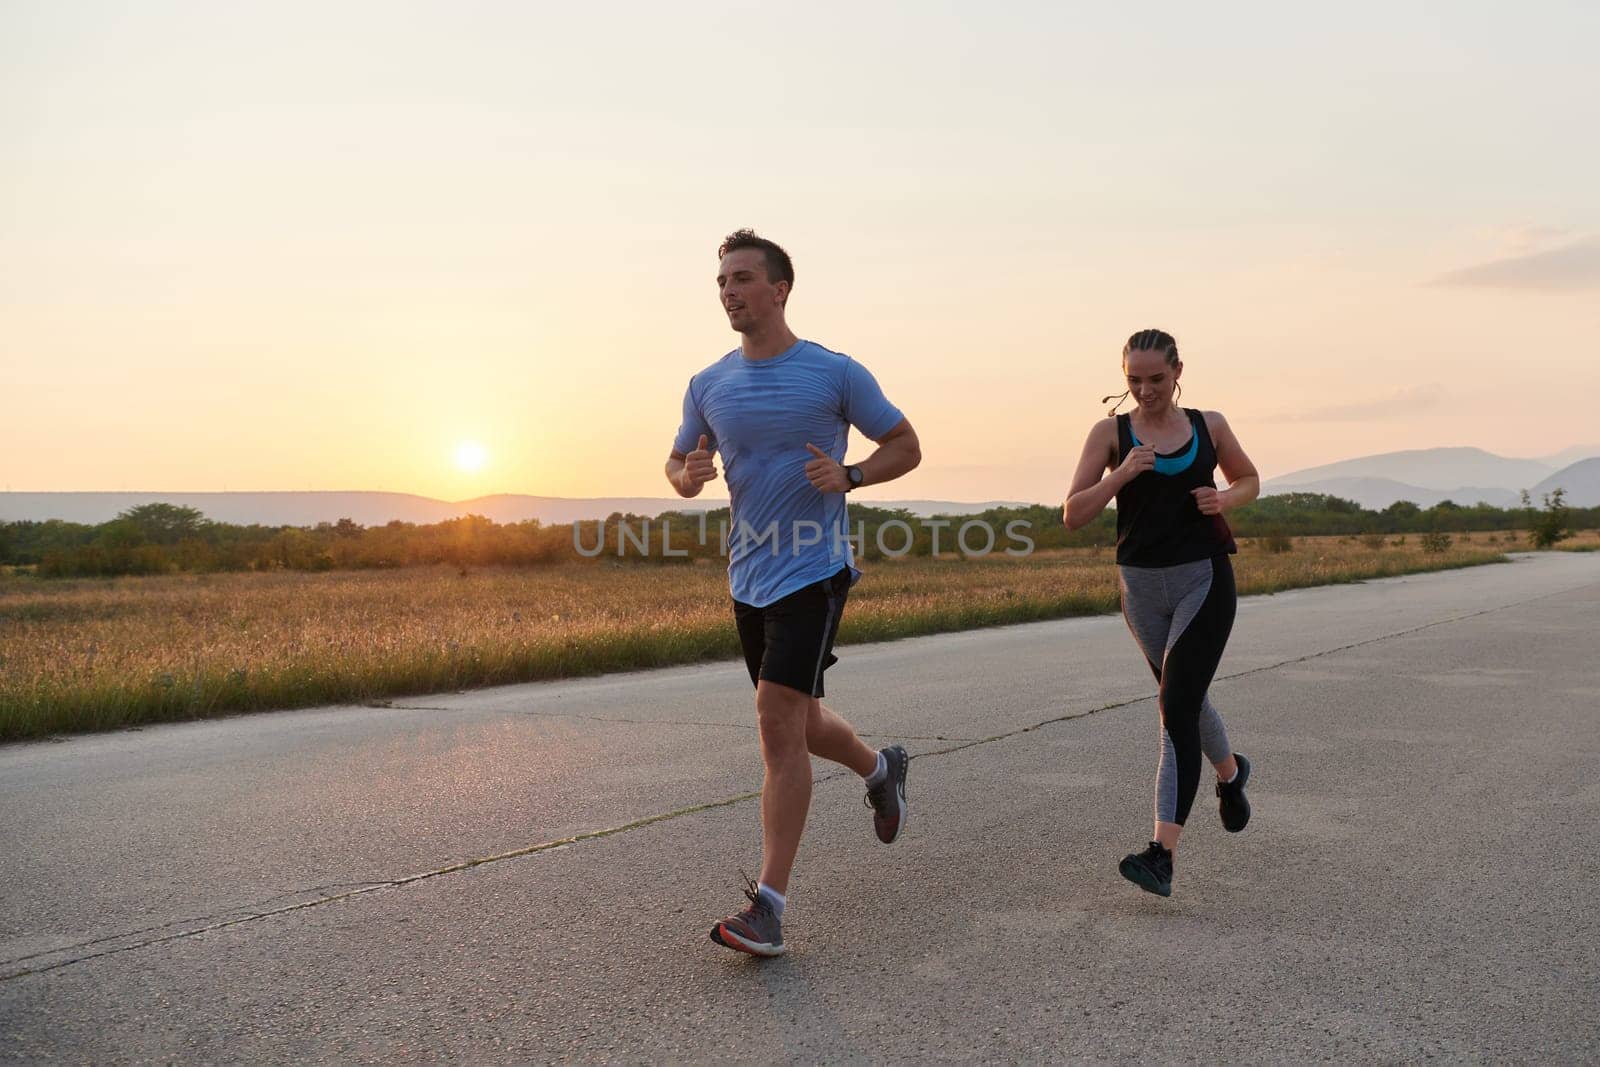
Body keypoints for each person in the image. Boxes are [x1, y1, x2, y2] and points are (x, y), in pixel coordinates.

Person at [665, 229, 923, 955]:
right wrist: (686, 475)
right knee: (801, 719)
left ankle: (769, 905)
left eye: (742, 278)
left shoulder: (834, 372)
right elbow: (680, 460)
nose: (729, 292)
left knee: (775, 718)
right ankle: (881, 767)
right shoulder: (707, 383)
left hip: (815, 570)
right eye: (721, 282)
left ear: (780, 288)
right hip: (747, 573)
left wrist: (854, 475)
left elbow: (906, 444)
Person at [1063, 328, 1260, 897]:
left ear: (1177, 371)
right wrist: (1122, 473)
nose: (1145, 391)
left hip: (1204, 579)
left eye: (1156, 379)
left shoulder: (1209, 425)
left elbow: (1249, 479)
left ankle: (1161, 854)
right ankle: (1231, 774)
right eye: (1134, 380)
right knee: (1187, 698)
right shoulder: (1109, 433)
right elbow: (1072, 513)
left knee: (1173, 707)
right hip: (1141, 590)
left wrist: (1223, 498)